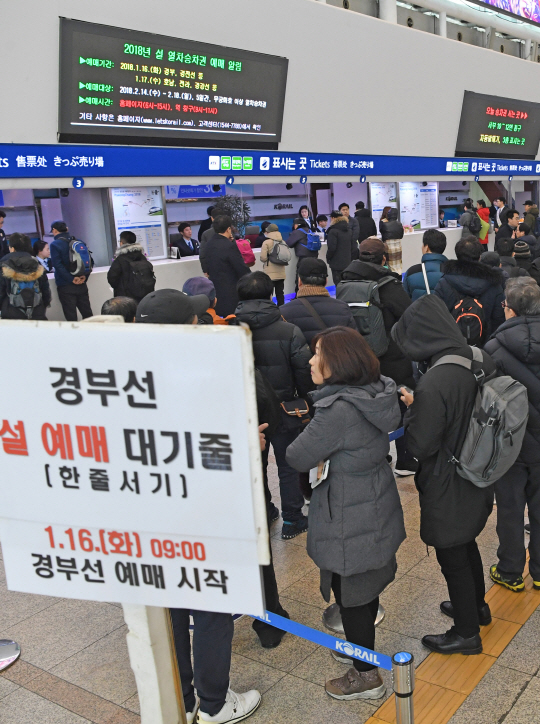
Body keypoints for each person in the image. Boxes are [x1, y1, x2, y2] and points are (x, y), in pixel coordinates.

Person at [135, 289, 262, 724]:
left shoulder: (122, 377)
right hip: (200, 510)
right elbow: (220, 446)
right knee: (210, 606)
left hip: (147, 512)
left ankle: (182, 696)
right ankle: (213, 704)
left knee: (170, 607)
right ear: (189, 325)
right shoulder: (205, 372)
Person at [286, 326, 405, 700]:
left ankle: (366, 675)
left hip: (348, 512)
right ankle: (359, 645)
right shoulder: (377, 391)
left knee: (350, 590)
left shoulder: (337, 410)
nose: (310, 360)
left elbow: (296, 456)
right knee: (363, 584)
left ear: (337, 363)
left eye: (318, 353)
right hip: (373, 498)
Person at [392, 294, 496, 655]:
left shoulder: (435, 382)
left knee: (451, 552)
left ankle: (466, 632)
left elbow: (420, 445)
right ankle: (476, 607)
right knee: (466, 542)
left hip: (448, 479)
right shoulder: (478, 356)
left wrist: (412, 407)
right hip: (479, 467)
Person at [235, 272, 313, 540]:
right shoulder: (288, 330)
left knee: (254, 464)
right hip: (283, 409)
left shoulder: (230, 330)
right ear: (270, 295)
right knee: (287, 465)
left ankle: (265, 510)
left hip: (244, 411)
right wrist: (307, 401)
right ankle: (292, 519)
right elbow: (304, 371)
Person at [340, 239, 416, 476]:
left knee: (369, 407)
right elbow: (408, 315)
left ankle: (380, 456)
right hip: (391, 356)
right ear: (384, 258)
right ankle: (405, 459)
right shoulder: (389, 284)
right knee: (403, 403)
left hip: (358, 356)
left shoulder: (344, 282)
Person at [484, 278, 540, 594]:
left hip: (511, 443)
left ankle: (510, 571)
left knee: (509, 507)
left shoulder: (494, 348)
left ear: (510, 310)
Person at [434, 237, 505, 343]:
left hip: (453, 344)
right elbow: (499, 319)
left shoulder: (444, 283)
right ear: (480, 257)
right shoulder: (493, 284)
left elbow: (437, 316)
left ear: (457, 255)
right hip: (486, 345)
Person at [280, 258, 356, 344]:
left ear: (299, 281)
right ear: (326, 281)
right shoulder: (343, 308)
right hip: (333, 356)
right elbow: (352, 342)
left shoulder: (283, 312)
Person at [204, 215, 250, 317]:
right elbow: (241, 268)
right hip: (231, 290)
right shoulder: (229, 246)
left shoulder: (209, 244)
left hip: (215, 289)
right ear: (228, 229)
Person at [0, 232, 51, 320]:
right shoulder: (36, 263)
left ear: (12, 249)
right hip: (37, 311)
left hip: (11, 313)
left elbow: (1, 292)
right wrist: (42, 306)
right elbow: (45, 290)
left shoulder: (3, 265)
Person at [50, 220, 93, 321]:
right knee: (88, 314)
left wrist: (71, 279)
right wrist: (84, 277)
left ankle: (74, 336)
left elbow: (57, 265)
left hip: (66, 286)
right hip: (82, 284)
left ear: (54, 230)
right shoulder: (80, 242)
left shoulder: (55, 245)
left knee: (71, 316)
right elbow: (90, 261)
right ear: (67, 229)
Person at [107, 230, 156, 303]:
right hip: (144, 293)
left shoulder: (120, 259)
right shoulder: (142, 256)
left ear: (121, 243)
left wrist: (120, 288)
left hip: (125, 297)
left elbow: (112, 277)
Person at [403, 228, 448, 300]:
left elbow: (404, 300)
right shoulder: (451, 272)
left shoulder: (411, 272)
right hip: (444, 311)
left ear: (426, 247)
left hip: (418, 310)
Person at [326, 210, 356, 286]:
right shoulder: (349, 230)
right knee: (346, 284)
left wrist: (328, 258)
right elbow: (353, 246)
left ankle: (340, 298)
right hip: (347, 262)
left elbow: (332, 248)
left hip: (336, 263)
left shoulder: (333, 231)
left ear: (333, 218)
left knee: (338, 284)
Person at [260, 223, 287, 306]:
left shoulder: (266, 242)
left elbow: (263, 258)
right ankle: (282, 309)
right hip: (281, 272)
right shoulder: (283, 241)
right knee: (280, 293)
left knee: (269, 293)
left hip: (269, 273)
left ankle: (270, 309)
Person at [379, 208, 404, 274]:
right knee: (399, 264)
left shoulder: (384, 224)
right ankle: (399, 277)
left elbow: (382, 234)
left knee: (390, 265)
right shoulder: (399, 224)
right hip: (398, 245)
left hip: (389, 246)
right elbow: (401, 235)